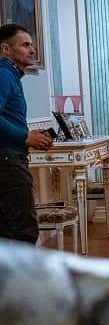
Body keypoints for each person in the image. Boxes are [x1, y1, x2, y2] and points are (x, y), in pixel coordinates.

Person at [0, 23, 53, 243]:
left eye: (31, 45)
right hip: (7, 162)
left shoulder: (10, 76)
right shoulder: (4, 75)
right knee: (24, 232)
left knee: (8, 233)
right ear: (6, 49)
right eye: (25, 45)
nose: (31, 50)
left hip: (9, 158)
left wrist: (29, 133)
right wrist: (25, 137)